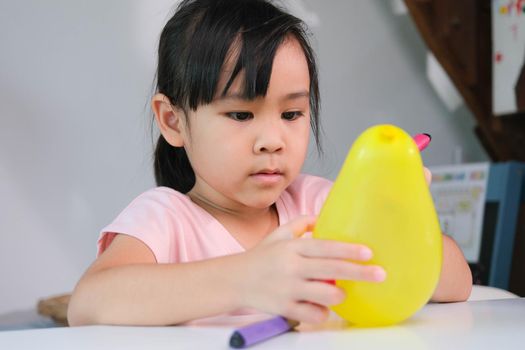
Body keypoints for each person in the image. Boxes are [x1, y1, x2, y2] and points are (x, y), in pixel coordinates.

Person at [67, 0, 472, 327]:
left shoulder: (320, 206)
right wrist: (247, 278)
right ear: (173, 121)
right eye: (241, 115)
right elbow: (88, 303)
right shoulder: (165, 219)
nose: (272, 142)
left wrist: (398, 215)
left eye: (291, 114)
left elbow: (458, 283)